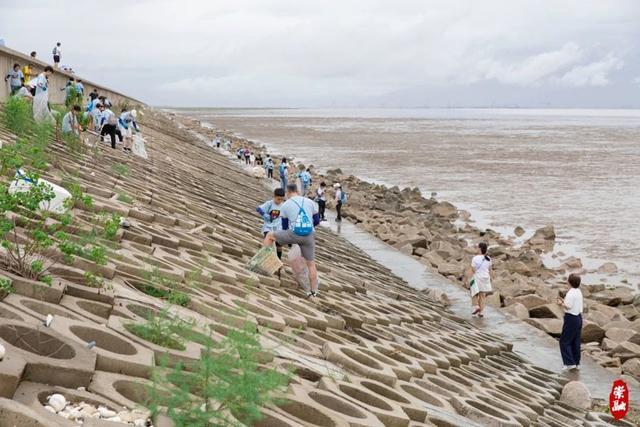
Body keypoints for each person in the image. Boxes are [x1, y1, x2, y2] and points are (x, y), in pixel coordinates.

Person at [263, 184, 320, 297]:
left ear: (288, 192)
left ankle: (266, 262)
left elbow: (284, 227)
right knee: (311, 265)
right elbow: (317, 221)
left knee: (270, 235)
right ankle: (313, 293)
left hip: (293, 233)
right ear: (298, 191)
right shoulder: (310, 202)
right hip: (309, 235)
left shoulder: (285, 205)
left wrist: (289, 240)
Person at [557, 274, 583, 371]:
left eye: (568, 280)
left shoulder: (571, 293)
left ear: (570, 282)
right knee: (575, 341)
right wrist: (565, 301)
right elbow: (572, 303)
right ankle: (576, 363)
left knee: (564, 342)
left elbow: (568, 306)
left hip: (571, 318)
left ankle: (569, 363)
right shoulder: (578, 291)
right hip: (579, 318)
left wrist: (561, 303)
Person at [256, 188, 285, 260]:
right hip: (268, 227)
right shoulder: (269, 203)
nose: (280, 201)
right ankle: (263, 258)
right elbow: (258, 209)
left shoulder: (284, 205)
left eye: (281, 199)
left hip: (278, 227)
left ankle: (278, 260)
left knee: (279, 244)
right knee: (268, 243)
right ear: (274, 196)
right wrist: (264, 215)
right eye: (278, 199)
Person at [468, 242, 493, 317]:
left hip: (478, 277)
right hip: (486, 278)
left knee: (474, 293)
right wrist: (491, 278)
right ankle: (481, 312)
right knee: (482, 296)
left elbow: (473, 269)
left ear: (479, 249)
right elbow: (490, 269)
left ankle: (476, 306)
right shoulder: (489, 259)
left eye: (477, 247)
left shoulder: (475, 258)